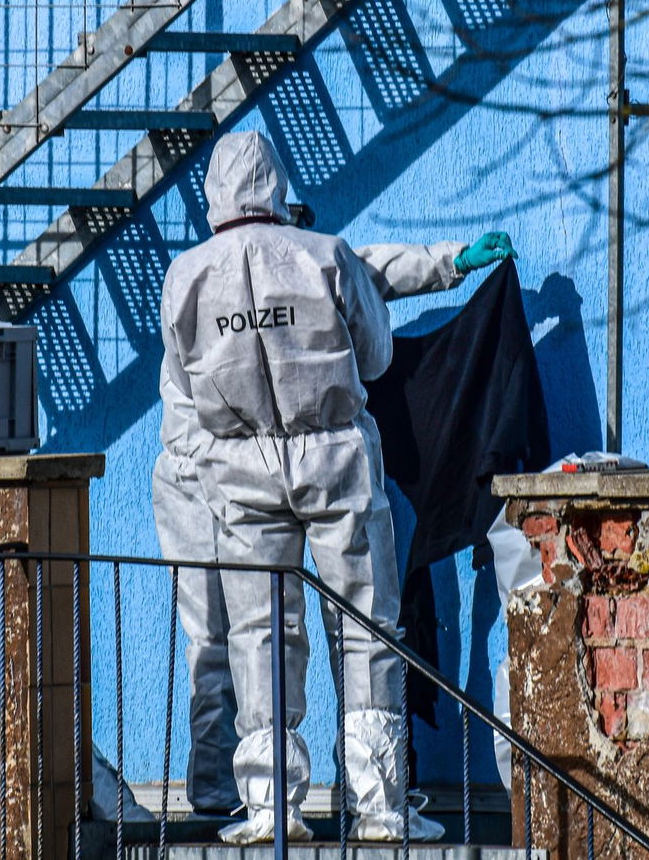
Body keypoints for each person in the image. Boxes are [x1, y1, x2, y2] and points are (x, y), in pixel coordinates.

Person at [158, 130, 514, 843]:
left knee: (259, 634)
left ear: (215, 194)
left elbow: (187, 383)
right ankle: (380, 805)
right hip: (333, 459)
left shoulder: (188, 274)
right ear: (278, 185)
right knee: (367, 627)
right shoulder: (322, 255)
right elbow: (377, 353)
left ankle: (269, 808)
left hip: (239, 466)